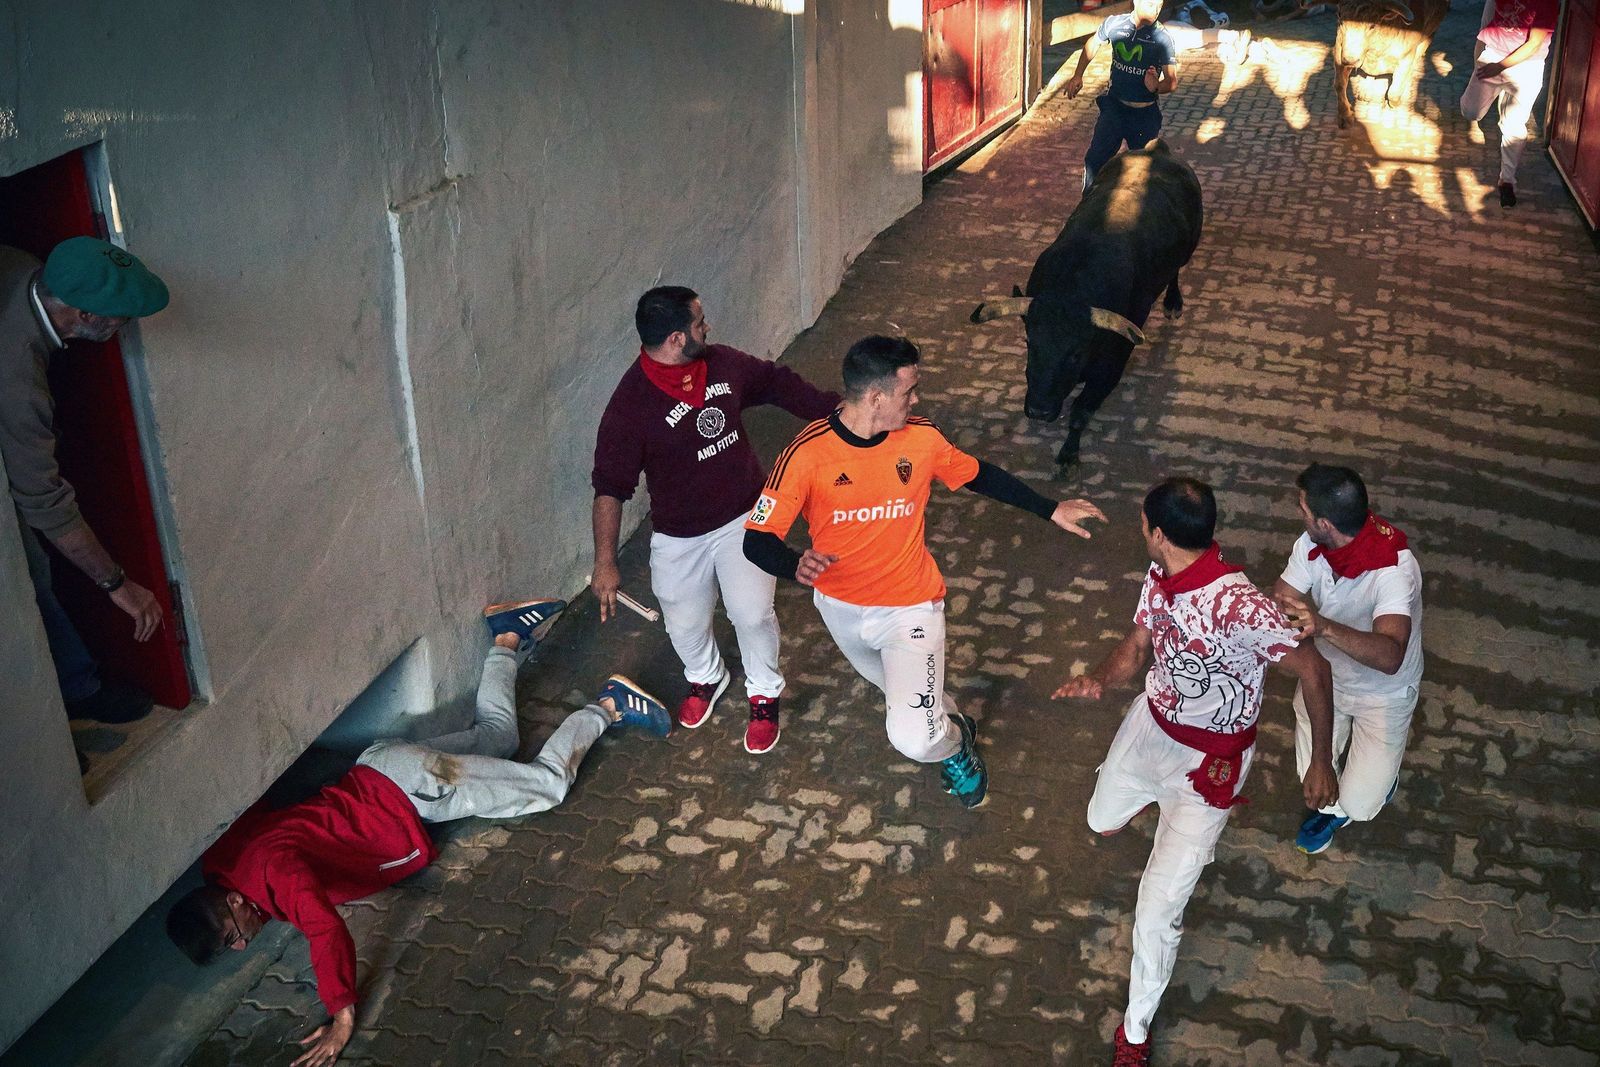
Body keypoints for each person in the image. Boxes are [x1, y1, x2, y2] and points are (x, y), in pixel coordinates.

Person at [166, 598, 671, 1067]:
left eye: (234, 937)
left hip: (416, 792)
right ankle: (507, 637)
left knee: (548, 785)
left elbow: (323, 929)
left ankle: (606, 706)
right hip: (381, 768)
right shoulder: (225, 860)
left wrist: (342, 1015)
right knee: (498, 737)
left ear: (232, 902)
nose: (241, 946)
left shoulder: (275, 875)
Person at [743, 335, 1106, 808]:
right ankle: (954, 724)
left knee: (914, 738)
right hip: (841, 610)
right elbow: (756, 539)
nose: (916, 400)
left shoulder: (920, 437)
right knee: (909, 698)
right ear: (875, 398)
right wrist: (795, 563)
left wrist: (1049, 508)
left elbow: (979, 474)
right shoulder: (806, 454)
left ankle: (956, 748)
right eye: (909, 390)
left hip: (911, 608)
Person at [1052, 478, 1337, 1065]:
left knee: (1156, 910)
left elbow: (1314, 671)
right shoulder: (1159, 576)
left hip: (1210, 765)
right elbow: (1136, 647)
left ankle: (1134, 1032)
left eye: (1141, 523)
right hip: (1149, 726)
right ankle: (1143, 809)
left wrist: (1320, 760)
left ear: (1159, 534)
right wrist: (1099, 680)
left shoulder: (1242, 607)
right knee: (1099, 818)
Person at [591, 286, 839, 755]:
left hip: (746, 515)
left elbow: (778, 383)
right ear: (676, 339)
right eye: (700, 323)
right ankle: (706, 677)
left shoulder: (723, 364)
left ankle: (764, 692)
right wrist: (605, 562)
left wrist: (841, 411)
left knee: (751, 613)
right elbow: (610, 486)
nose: (708, 329)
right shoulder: (630, 407)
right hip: (679, 534)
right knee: (682, 621)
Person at [1, 236, 170, 723]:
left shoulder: (29, 267)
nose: (125, 326)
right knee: (26, 575)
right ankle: (64, 709)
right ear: (82, 315)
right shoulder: (17, 379)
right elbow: (44, 502)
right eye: (120, 317)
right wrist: (117, 585)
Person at [1273, 463, 1422, 855]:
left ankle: (1370, 791)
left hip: (1383, 693)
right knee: (1315, 777)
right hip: (1328, 675)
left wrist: (1321, 627)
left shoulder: (1394, 570)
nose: (1298, 514)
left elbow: (1390, 655)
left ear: (1325, 522)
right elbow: (1283, 596)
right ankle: (1334, 797)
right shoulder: (1312, 544)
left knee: (1360, 805)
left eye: (1303, 510)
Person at [1063, 0, 1180, 192]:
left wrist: (1156, 86)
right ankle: (1088, 203)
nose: (1156, 10)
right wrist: (1078, 74)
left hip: (1144, 116)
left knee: (1143, 172)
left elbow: (1172, 81)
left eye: (1159, 5)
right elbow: (1093, 43)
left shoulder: (1163, 39)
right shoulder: (1114, 24)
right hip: (1114, 108)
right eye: (1151, 4)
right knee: (1095, 160)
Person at [1459, 0, 1559, 208]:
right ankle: (1496, 99)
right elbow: (1486, 20)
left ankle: (1507, 181)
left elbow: (1533, 44)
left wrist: (1500, 67)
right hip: (1493, 54)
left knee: (1513, 125)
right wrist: (1479, 59)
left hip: (1527, 65)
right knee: (1471, 111)